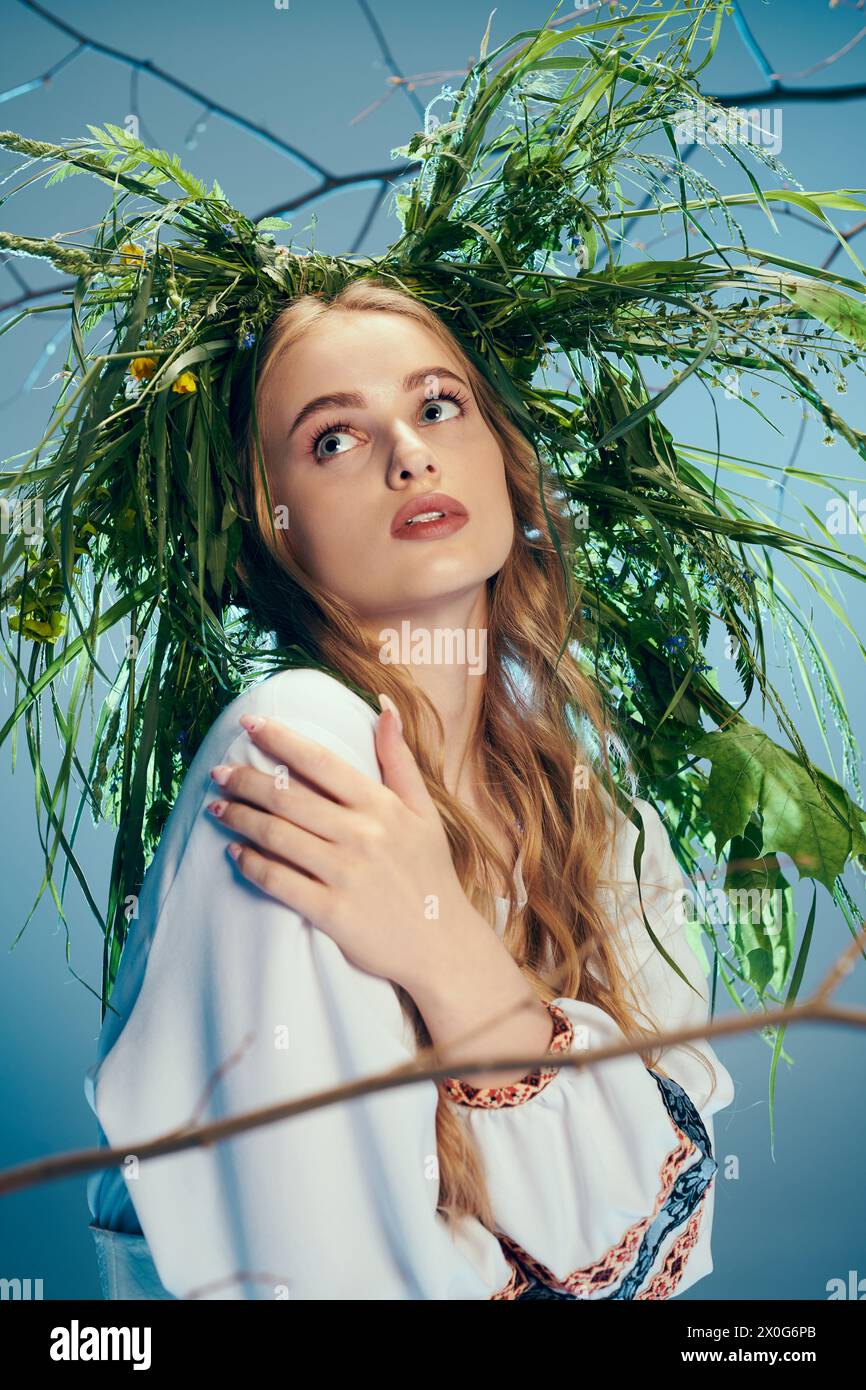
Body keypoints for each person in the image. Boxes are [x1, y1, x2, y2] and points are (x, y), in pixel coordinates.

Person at [84, 281, 734, 1300]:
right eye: (333, 439)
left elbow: (667, 1241)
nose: (409, 453)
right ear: (269, 530)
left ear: (508, 470)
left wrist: (445, 953)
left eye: (437, 406)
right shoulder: (293, 757)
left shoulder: (604, 829)